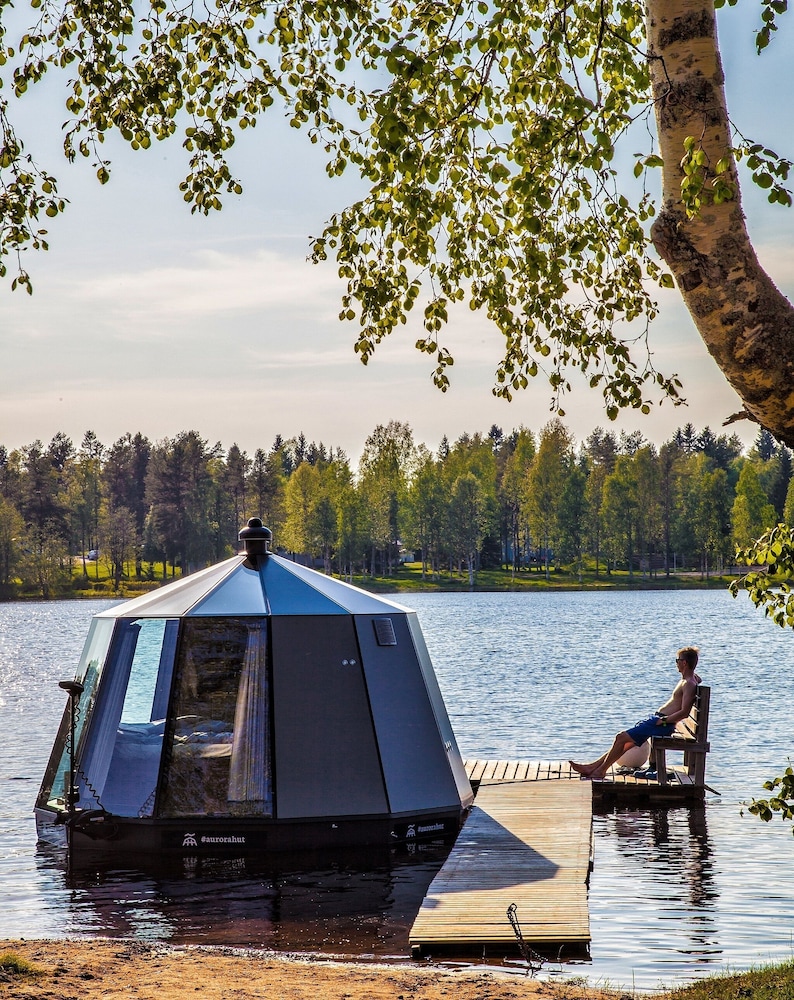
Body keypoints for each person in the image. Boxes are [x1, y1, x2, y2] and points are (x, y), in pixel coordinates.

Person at [569, 646, 701, 780]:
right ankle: (592, 767)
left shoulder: (688, 683)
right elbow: (696, 679)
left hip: (662, 724)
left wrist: (664, 720)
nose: (676, 663)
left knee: (621, 738)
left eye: (677, 660)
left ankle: (600, 771)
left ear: (684, 663)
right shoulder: (690, 679)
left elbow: (684, 713)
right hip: (658, 721)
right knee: (625, 743)